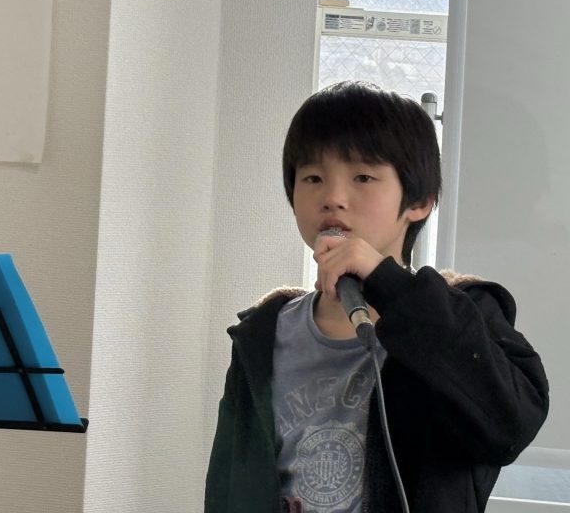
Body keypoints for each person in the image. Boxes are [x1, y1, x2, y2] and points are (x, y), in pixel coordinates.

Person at [204, 81, 548, 513]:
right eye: (312, 178)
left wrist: (389, 284)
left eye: (363, 177)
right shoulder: (264, 331)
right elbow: (229, 485)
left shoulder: (459, 314)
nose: (333, 198)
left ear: (419, 201)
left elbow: (510, 427)